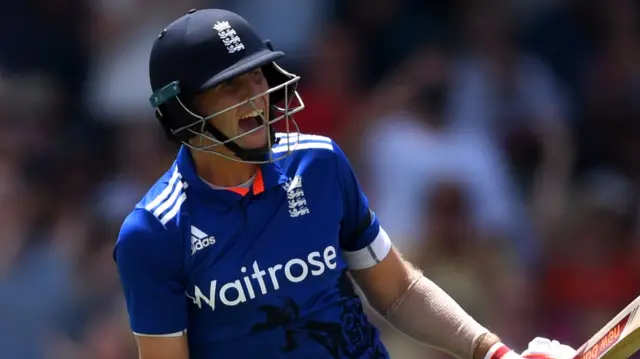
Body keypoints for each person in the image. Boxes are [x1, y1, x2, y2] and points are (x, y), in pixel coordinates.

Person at [113, 8, 577, 359]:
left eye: (258, 78)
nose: (257, 97)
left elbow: (399, 292)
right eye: (231, 86)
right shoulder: (154, 234)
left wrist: (494, 353)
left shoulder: (319, 164)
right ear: (183, 113)